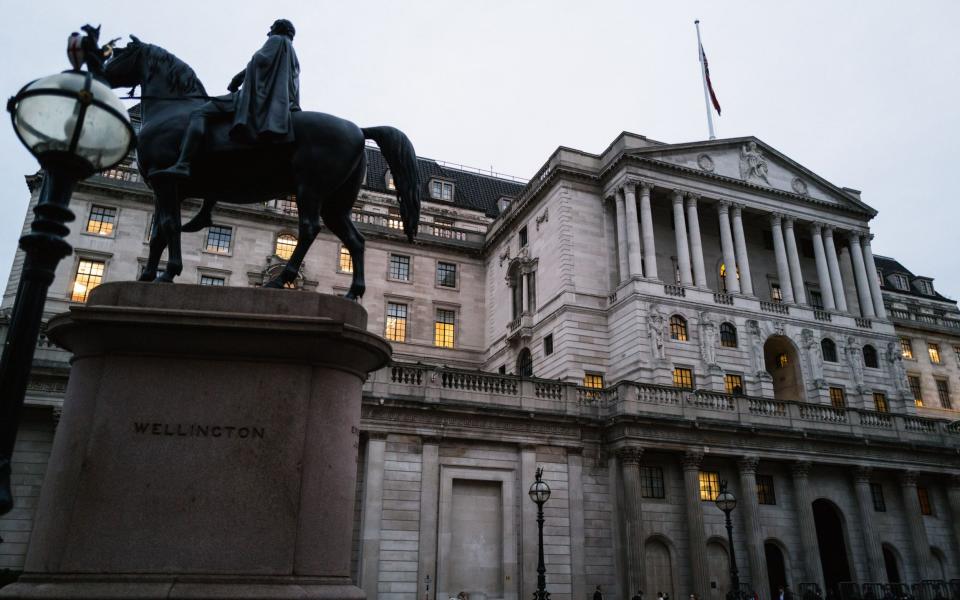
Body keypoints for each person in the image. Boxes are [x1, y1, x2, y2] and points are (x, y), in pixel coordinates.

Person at [154, 18, 301, 179]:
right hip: (275, 101)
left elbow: (259, 60)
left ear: (278, 29)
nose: (268, 32)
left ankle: (183, 164)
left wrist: (237, 78)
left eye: (271, 29)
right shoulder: (292, 53)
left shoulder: (276, 40)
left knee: (200, 112)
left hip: (256, 97)